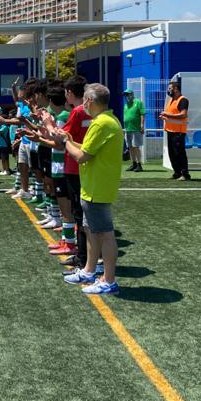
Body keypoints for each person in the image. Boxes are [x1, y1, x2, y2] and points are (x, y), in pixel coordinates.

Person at [59, 84, 125, 295]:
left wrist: (65, 141)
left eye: (85, 100)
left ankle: (109, 280)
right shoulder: (105, 120)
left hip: (98, 186)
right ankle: (89, 270)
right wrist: (70, 141)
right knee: (90, 230)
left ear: (90, 101)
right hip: (93, 185)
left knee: (104, 234)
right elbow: (87, 149)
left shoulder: (102, 123)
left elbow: (81, 156)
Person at [62, 75, 90, 270]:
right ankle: (84, 255)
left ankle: (83, 257)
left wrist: (46, 125)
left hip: (74, 166)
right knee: (82, 214)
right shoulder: (90, 112)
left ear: (70, 93)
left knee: (79, 214)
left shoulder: (77, 112)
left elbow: (63, 136)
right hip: (87, 166)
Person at [160, 79, 190, 180]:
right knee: (172, 154)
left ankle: (185, 174)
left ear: (176, 89)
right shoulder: (171, 100)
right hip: (170, 131)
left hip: (178, 132)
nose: (168, 90)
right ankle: (177, 172)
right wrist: (165, 117)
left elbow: (183, 114)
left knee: (179, 153)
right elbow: (171, 115)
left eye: (170, 88)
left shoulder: (183, 100)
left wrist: (167, 114)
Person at [122, 89, 146, 172]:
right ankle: (134, 163)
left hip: (136, 129)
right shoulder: (126, 105)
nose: (126, 96)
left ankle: (139, 165)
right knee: (130, 147)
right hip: (128, 129)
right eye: (125, 95)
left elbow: (142, 114)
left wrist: (142, 125)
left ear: (132, 94)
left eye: (128, 94)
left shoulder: (138, 102)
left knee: (136, 147)